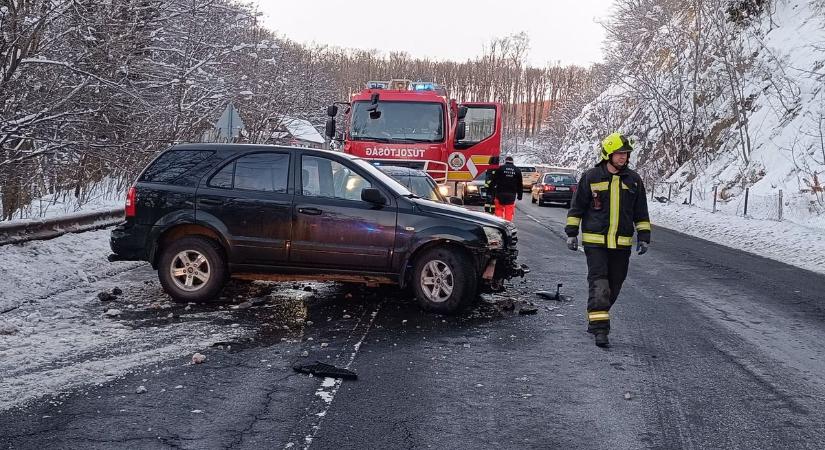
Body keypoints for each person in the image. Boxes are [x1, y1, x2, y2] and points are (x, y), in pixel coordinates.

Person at [565, 132, 651, 348]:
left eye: (626, 154)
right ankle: (600, 330)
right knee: (600, 283)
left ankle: (595, 315)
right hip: (596, 244)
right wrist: (572, 233)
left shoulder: (634, 180)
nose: (623, 157)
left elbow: (641, 211)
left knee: (614, 285)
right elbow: (577, 207)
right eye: (619, 154)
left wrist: (644, 236)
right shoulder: (591, 177)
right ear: (608, 154)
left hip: (621, 245)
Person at [489, 156, 522, 221]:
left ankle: (498, 222)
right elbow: (520, 184)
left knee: (498, 209)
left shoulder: (500, 168)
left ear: (505, 161)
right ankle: (508, 224)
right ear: (513, 162)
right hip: (511, 194)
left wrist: (490, 190)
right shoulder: (517, 170)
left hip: (500, 193)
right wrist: (520, 195)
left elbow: (494, 180)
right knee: (509, 211)